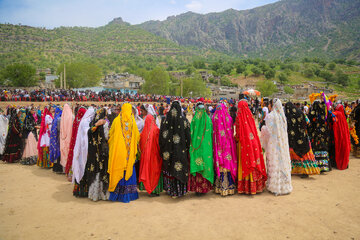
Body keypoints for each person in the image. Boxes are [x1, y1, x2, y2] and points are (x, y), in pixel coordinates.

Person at [108, 103, 140, 203]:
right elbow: (137, 137)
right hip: (129, 155)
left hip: (119, 153)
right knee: (129, 169)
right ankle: (130, 194)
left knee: (119, 169)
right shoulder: (132, 122)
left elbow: (111, 134)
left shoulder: (117, 121)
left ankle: (117, 194)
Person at [159, 101, 191, 198]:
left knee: (170, 168)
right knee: (180, 168)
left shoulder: (165, 121)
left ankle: (171, 190)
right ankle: (181, 191)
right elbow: (188, 137)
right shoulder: (184, 121)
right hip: (181, 151)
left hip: (169, 151)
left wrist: (164, 148)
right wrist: (187, 148)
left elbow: (161, 137)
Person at [261, 99, 292, 195]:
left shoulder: (271, 116)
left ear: (271, 105)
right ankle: (284, 186)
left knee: (274, 161)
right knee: (282, 161)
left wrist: (262, 129)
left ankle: (274, 186)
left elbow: (268, 131)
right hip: (282, 144)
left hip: (273, 144)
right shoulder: (282, 117)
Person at [235, 100, 267, 195]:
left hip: (244, 144)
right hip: (253, 142)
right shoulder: (251, 116)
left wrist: (236, 139)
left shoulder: (239, 118)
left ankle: (246, 187)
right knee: (253, 161)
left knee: (245, 162)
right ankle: (256, 187)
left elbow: (238, 133)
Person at [285, 102, 320, 177]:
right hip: (302, 137)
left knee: (296, 154)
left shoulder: (288, 115)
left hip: (293, 138)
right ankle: (305, 171)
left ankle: (297, 170)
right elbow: (308, 122)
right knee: (304, 154)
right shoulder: (300, 112)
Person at [212, 103, 237, 196]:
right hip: (228, 146)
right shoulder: (229, 118)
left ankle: (219, 187)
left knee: (221, 164)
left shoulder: (214, 118)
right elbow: (232, 131)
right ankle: (230, 187)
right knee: (228, 163)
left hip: (218, 146)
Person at [189, 102, 214, 195]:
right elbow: (211, 133)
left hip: (196, 147)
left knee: (197, 164)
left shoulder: (194, 120)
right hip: (206, 148)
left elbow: (190, 133)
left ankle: (197, 189)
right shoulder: (208, 120)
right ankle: (204, 189)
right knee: (205, 164)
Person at [85, 108, 110, 201]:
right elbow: (107, 137)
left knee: (95, 171)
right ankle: (102, 195)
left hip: (93, 152)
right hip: (102, 152)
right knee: (102, 171)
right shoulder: (105, 123)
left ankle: (93, 194)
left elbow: (89, 133)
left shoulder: (92, 124)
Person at [72, 107, 95, 197]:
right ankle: (82, 191)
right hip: (83, 149)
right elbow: (86, 135)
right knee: (83, 168)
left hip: (82, 149)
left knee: (82, 167)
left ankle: (81, 190)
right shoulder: (86, 122)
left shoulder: (85, 121)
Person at [139, 113, 163, 196]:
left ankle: (148, 189)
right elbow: (159, 144)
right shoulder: (156, 130)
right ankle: (156, 190)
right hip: (155, 156)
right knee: (155, 172)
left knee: (147, 171)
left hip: (146, 158)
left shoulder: (142, 133)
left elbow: (140, 145)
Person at [308, 101, 331, 172]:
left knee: (316, 148)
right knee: (323, 148)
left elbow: (310, 122)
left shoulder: (313, 114)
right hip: (323, 135)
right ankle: (324, 167)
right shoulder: (323, 114)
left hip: (315, 135)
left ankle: (317, 166)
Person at [65, 107, 87, 179]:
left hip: (74, 140)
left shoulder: (76, 119)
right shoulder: (83, 121)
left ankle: (71, 173)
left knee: (73, 156)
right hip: (79, 142)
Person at [331, 103, 351, 170]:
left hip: (338, 135)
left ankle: (337, 163)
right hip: (343, 136)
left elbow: (331, 114)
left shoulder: (337, 113)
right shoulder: (342, 115)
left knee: (337, 148)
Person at [60, 103, 73, 168]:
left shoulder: (62, 116)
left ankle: (64, 167)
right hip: (69, 136)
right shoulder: (70, 116)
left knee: (64, 152)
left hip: (63, 137)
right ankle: (68, 168)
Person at [50, 107, 63, 172]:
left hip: (54, 139)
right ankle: (59, 168)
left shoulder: (54, 118)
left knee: (55, 151)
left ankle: (55, 168)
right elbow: (59, 129)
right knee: (59, 152)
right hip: (58, 138)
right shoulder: (59, 119)